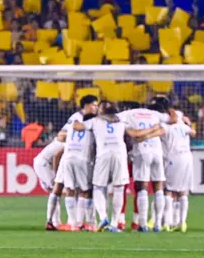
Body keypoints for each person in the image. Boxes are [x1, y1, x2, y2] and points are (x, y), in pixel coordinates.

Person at [77, 102, 163, 232]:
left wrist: (81, 116)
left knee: (98, 187)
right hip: (119, 154)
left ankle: (103, 217)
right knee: (119, 188)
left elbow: (77, 126)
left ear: (101, 111)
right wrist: (152, 129)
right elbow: (135, 133)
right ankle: (114, 223)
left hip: (103, 153)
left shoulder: (95, 121)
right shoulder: (120, 121)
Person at [119, 100, 170, 232]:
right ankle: (158, 224)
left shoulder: (126, 114)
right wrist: (153, 130)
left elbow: (132, 133)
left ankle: (142, 224)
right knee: (158, 188)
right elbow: (171, 120)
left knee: (142, 188)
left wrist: (143, 135)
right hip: (157, 152)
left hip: (142, 152)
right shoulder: (154, 114)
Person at [161, 107, 196, 233]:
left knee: (169, 190)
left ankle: (167, 222)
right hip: (187, 157)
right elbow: (193, 133)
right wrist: (188, 123)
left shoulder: (166, 127)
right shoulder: (184, 127)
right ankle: (182, 223)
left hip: (174, 157)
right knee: (183, 190)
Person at [32, 131, 66, 230]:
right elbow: (56, 157)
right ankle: (54, 222)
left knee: (54, 192)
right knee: (56, 191)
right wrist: (56, 175)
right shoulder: (67, 145)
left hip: (40, 163)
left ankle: (54, 222)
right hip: (44, 164)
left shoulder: (58, 142)